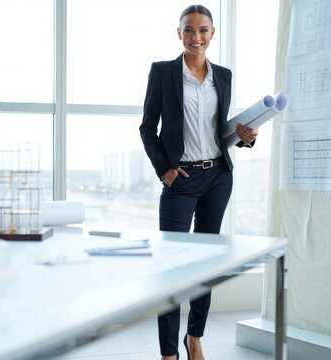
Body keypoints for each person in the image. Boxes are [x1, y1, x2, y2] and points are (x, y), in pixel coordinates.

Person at [139, 4, 258, 360]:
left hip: (218, 175)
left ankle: (195, 337)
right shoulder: (162, 72)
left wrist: (245, 136)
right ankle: (168, 353)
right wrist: (165, 170)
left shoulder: (223, 75)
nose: (196, 37)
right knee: (170, 266)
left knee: (207, 262)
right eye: (189, 30)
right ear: (179, 34)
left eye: (203, 30)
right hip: (182, 177)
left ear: (212, 33)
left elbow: (220, 130)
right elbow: (148, 128)